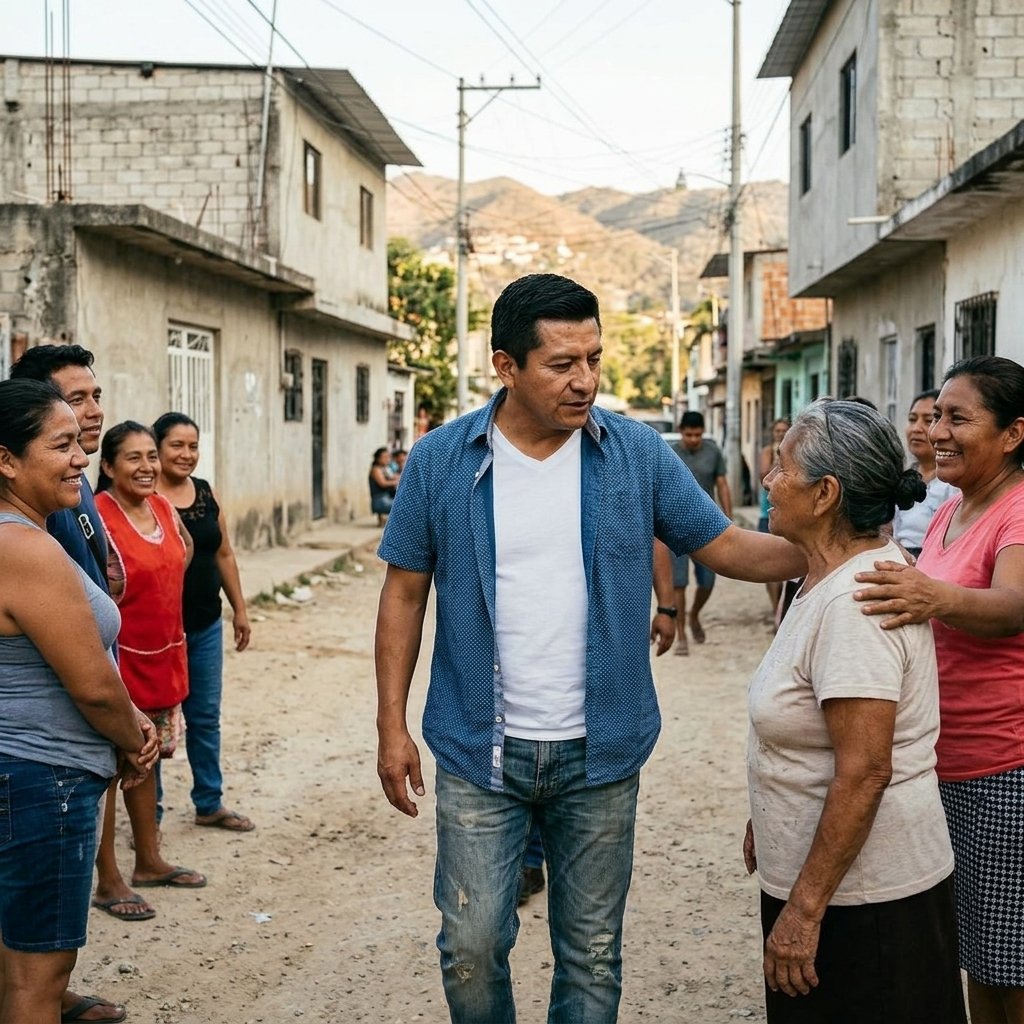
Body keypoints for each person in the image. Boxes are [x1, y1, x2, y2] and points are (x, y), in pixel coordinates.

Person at [374, 273, 806, 1024]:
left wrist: (840, 552)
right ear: (506, 367)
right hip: (481, 751)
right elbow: (404, 592)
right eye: (562, 364)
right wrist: (391, 724)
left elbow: (726, 544)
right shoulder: (442, 461)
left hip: (601, 752)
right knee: (471, 944)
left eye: (594, 359)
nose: (585, 381)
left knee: (593, 953)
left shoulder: (634, 453)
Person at [745, 397, 965, 1023]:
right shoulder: (819, 578)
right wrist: (768, 805)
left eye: (782, 467)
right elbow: (806, 731)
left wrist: (804, 910)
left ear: (825, 495)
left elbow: (865, 770)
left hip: (866, 902)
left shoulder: (855, 603)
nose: (767, 481)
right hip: (835, 884)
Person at [854, 355, 1024, 1024]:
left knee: (1007, 968)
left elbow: (1012, 606)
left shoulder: (1015, 510)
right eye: (935, 418)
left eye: (959, 418)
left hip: (1000, 768)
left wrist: (931, 594)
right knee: (973, 955)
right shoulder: (955, 505)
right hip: (943, 763)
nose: (939, 432)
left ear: (1013, 433)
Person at [0, 378, 158, 1024]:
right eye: (61, 444)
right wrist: (133, 739)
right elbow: (92, 685)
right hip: (44, 781)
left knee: (13, 969)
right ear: (7, 459)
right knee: (39, 982)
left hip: (20, 770)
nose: (79, 458)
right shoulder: (24, 549)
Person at [95, 422, 207, 891]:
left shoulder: (162, 506)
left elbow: (184, 551)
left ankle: (149, 860)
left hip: (161, 658)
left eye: (150, 457)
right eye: (133, 458)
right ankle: (108, 878)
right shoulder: (97, 516)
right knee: (105, 772)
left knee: (146, 761)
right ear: (108, 467)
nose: (147, 467)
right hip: (117, 666)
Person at [154, 413, 254, 833]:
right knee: (156, 720)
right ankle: (150, 813)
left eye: (193, 446)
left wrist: (240, 609)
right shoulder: (141, 495)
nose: (186, 454)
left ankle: (209, 801)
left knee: (205, 716)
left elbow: (223, 553)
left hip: (205, 624)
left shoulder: (205, 493)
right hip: (154, 634)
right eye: (177, 445)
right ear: (157, 448)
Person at [669, 410, 733, 654]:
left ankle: (694, 613)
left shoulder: (713, 452)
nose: (693, 439)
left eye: (697, 435)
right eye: (689, 435)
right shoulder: (671, 453)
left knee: (707, 580)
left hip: (708, 525)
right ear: (681, 431)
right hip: (673, 526)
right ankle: (682, 634)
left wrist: (729, 517)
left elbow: (722, 484)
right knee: (679, 583)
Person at [891, 389, 958, 558]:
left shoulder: (953, 483)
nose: (916, 428)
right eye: (912, 420)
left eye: (928, 420)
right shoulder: (899, 476)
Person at [758, 418, 790, 617]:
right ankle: (774, 606)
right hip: (767, 512)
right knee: (770, 566)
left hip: (788, 514)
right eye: (777, 430)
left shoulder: (795, 451)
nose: (780, 433)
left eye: (784, 430)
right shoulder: (767, 451)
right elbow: (763, 474)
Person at [369, 447, 398, 526]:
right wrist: (396, 482)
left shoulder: (385, 469)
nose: (387, 459)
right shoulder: (376, 469)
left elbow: (394, 476)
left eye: (388, 457)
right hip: (380, 501)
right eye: (385, 457)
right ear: (378, 458)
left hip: (386, 498)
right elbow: (383, 483)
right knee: (402, 505)